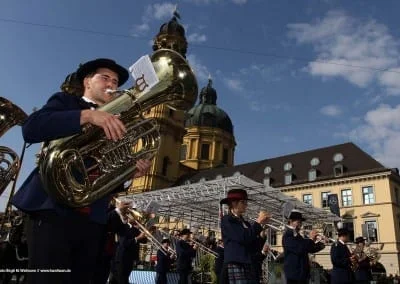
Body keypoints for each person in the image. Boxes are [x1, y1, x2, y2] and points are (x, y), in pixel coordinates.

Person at [11, 58, 152, 284]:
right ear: (87, 81)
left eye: (115, 81)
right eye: (105, 78)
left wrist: (129, 174)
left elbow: (104, 169)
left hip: (92, 218)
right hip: (52, 210)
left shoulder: (119, 120)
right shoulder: (66, 101)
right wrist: (87, 116)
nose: (112, 84)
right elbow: (31, 129)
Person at [220, 188, 269, 283]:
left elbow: (254, 246)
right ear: (234, 203)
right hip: (236, 263)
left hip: (247, 263)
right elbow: (242, 237)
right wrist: (258, 222)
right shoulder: (227, 220)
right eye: (243, 202)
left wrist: (262, 233)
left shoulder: (245, 223)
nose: (246, 205)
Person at [282, 210, 325, 284]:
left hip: (302, 274)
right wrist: (311, 239)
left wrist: (321, 244)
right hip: (295, 274)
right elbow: (300, 249)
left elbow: (309, 248)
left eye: (301, 223)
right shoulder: (288, 235)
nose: (300, 225)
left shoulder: (297, 236)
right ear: (291, 221)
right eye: (298, 222)